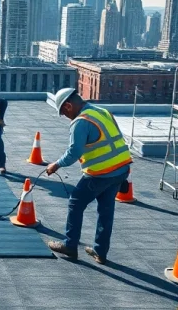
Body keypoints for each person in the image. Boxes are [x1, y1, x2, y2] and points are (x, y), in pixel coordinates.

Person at [44, 88, 132, 264]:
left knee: (75, 203)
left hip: (101, 173)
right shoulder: (101, 111)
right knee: (106, 211)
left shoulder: (81, 122)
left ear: (68, 105)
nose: (66, 116)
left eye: (63, 112)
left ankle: (70, 245)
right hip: (121, 169)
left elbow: (74, 152)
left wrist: (56, 165)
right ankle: (100, 252)